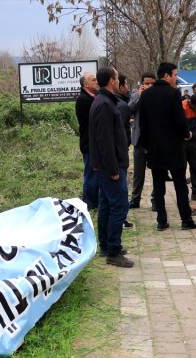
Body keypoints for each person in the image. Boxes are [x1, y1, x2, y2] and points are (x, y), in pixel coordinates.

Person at [138, 62, 196, 231]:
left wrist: (146, 146)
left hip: (154, 149)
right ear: (166, 76)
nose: (176, 78)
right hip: (174, 147)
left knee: (158, 186)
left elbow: (142, 124)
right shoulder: (173, 94)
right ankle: (186, 220)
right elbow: (179, 120)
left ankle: (161, 221)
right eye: (175, 75)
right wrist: (187, 134)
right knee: (180, 185)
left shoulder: (145, 95)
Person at [89, 66, 134, 268]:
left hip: (107, 166)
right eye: (116, 78)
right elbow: (105, 141)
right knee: (119, 206)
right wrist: (113, 169)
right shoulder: (104, 104)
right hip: (110, 167)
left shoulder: (104, 101)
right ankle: (113, 251)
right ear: (110, 80)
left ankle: (107, 245)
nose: (118, 81)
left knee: (107, 204)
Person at [129, 72, 156, 209]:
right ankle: (135, 199)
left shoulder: (159, 95)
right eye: (146, 83)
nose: (149, 86)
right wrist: (140, 95)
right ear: (142, 84)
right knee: (138, 174)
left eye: (152, 83)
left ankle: (155, 200)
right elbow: (130, 109)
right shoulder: (136, 94)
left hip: (155, 141)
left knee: (157, 173)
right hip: (139, 140)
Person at [75, 72, 99, 209]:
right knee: (90, 175)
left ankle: (93, 201)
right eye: (93, 80)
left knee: (95, 174)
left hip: (93, 143)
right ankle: (89, 204)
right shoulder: (83, 100)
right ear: (86, 84)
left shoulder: (93, 97)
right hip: (89, 144)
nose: (96, 82)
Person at [115, 73, 134, 230]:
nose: (127, 88)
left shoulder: (120, 103)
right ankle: (120, 218)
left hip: (119, 152)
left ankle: (121, 217)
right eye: (126, 84)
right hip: (118, 155)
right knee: (120, 189)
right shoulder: (120, 106)